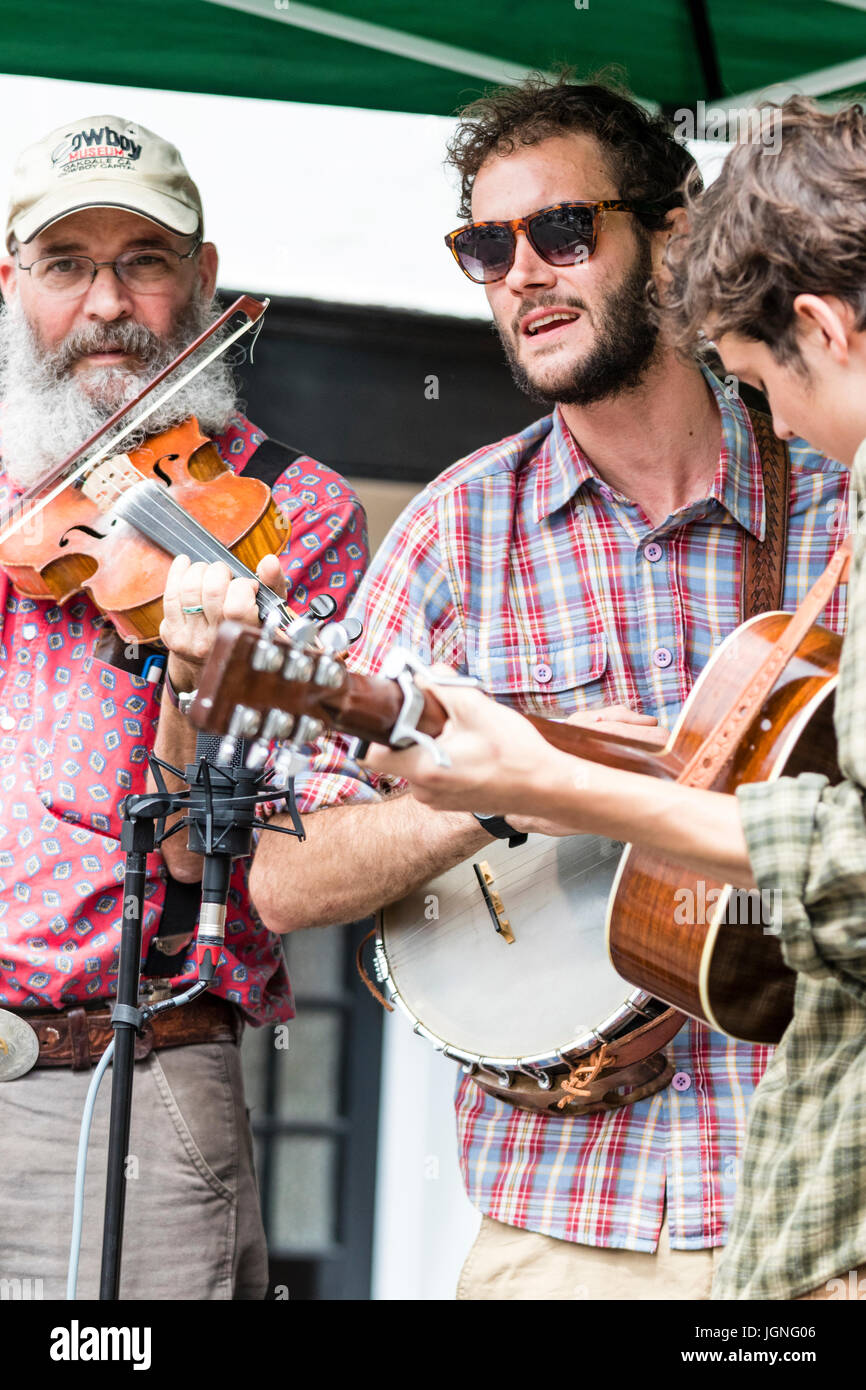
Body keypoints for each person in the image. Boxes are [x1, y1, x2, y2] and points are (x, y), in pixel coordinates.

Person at [249, 78, 849, 1300]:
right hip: (565, 1223)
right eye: (484, 245)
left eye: (560, 231)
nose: (520, 272)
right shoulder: (455, 534)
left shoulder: (838, 486)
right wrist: (497, 797)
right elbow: (277, 870)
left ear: (669, 230)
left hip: (830, 1203)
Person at [0, 114, 367, 1299]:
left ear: (204, 283)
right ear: (14, 290)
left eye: (143, 261)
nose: (106, 304)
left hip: (125, 1076)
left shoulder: (287, 512)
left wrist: (188, 667)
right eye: (67, 266)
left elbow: (238, 857)